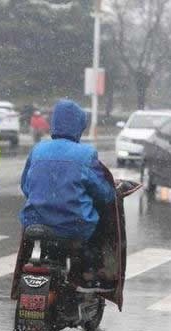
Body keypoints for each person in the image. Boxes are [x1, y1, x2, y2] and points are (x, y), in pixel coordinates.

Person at [19, 99, 115, 292]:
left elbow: (25, 185)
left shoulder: (38, 149)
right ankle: (90, 276)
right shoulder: (86, 154)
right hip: (73, 226)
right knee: (97, 229)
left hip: (34, 222)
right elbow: (103, 193)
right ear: (79, 126)